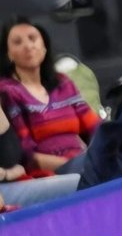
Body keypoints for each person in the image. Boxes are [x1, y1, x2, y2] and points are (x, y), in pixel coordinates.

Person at [0, 18, 97, 177]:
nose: (28, 46)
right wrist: (79, 166)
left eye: (33, 38)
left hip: (82, 162)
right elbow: (26, 155)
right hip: (47, 173)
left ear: (44, 46)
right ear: (8, 54)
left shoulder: (63, 83)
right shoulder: (8, 92)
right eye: (18, 42)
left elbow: (93, 126)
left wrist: (99, 153)